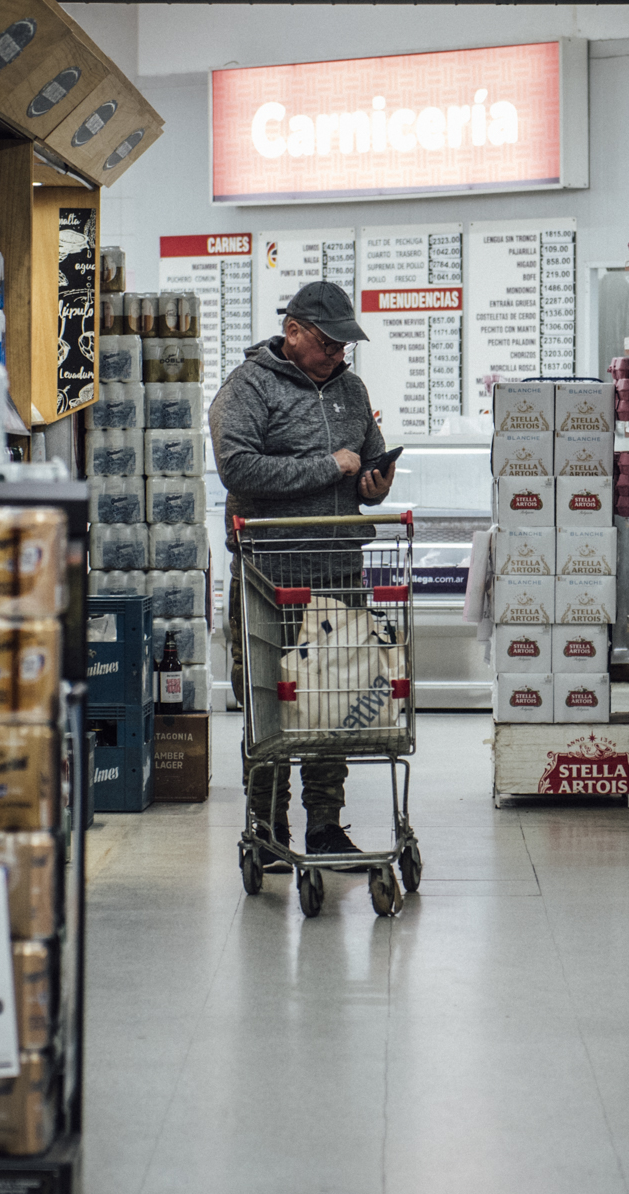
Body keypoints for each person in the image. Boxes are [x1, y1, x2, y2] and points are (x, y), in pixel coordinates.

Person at [210, 281, 396, 858]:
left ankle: (325, 824)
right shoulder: (248, 387)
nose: (337, 355)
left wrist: (373, 485)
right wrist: (327, 467)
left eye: (344, 346)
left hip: (338, 571)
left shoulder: (351, 390)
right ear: (292, 332)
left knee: (334, 698)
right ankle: (268, 827)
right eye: (327, 344)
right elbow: (238, 468)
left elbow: (366, 458)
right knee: (269, 700)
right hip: (270, 575)